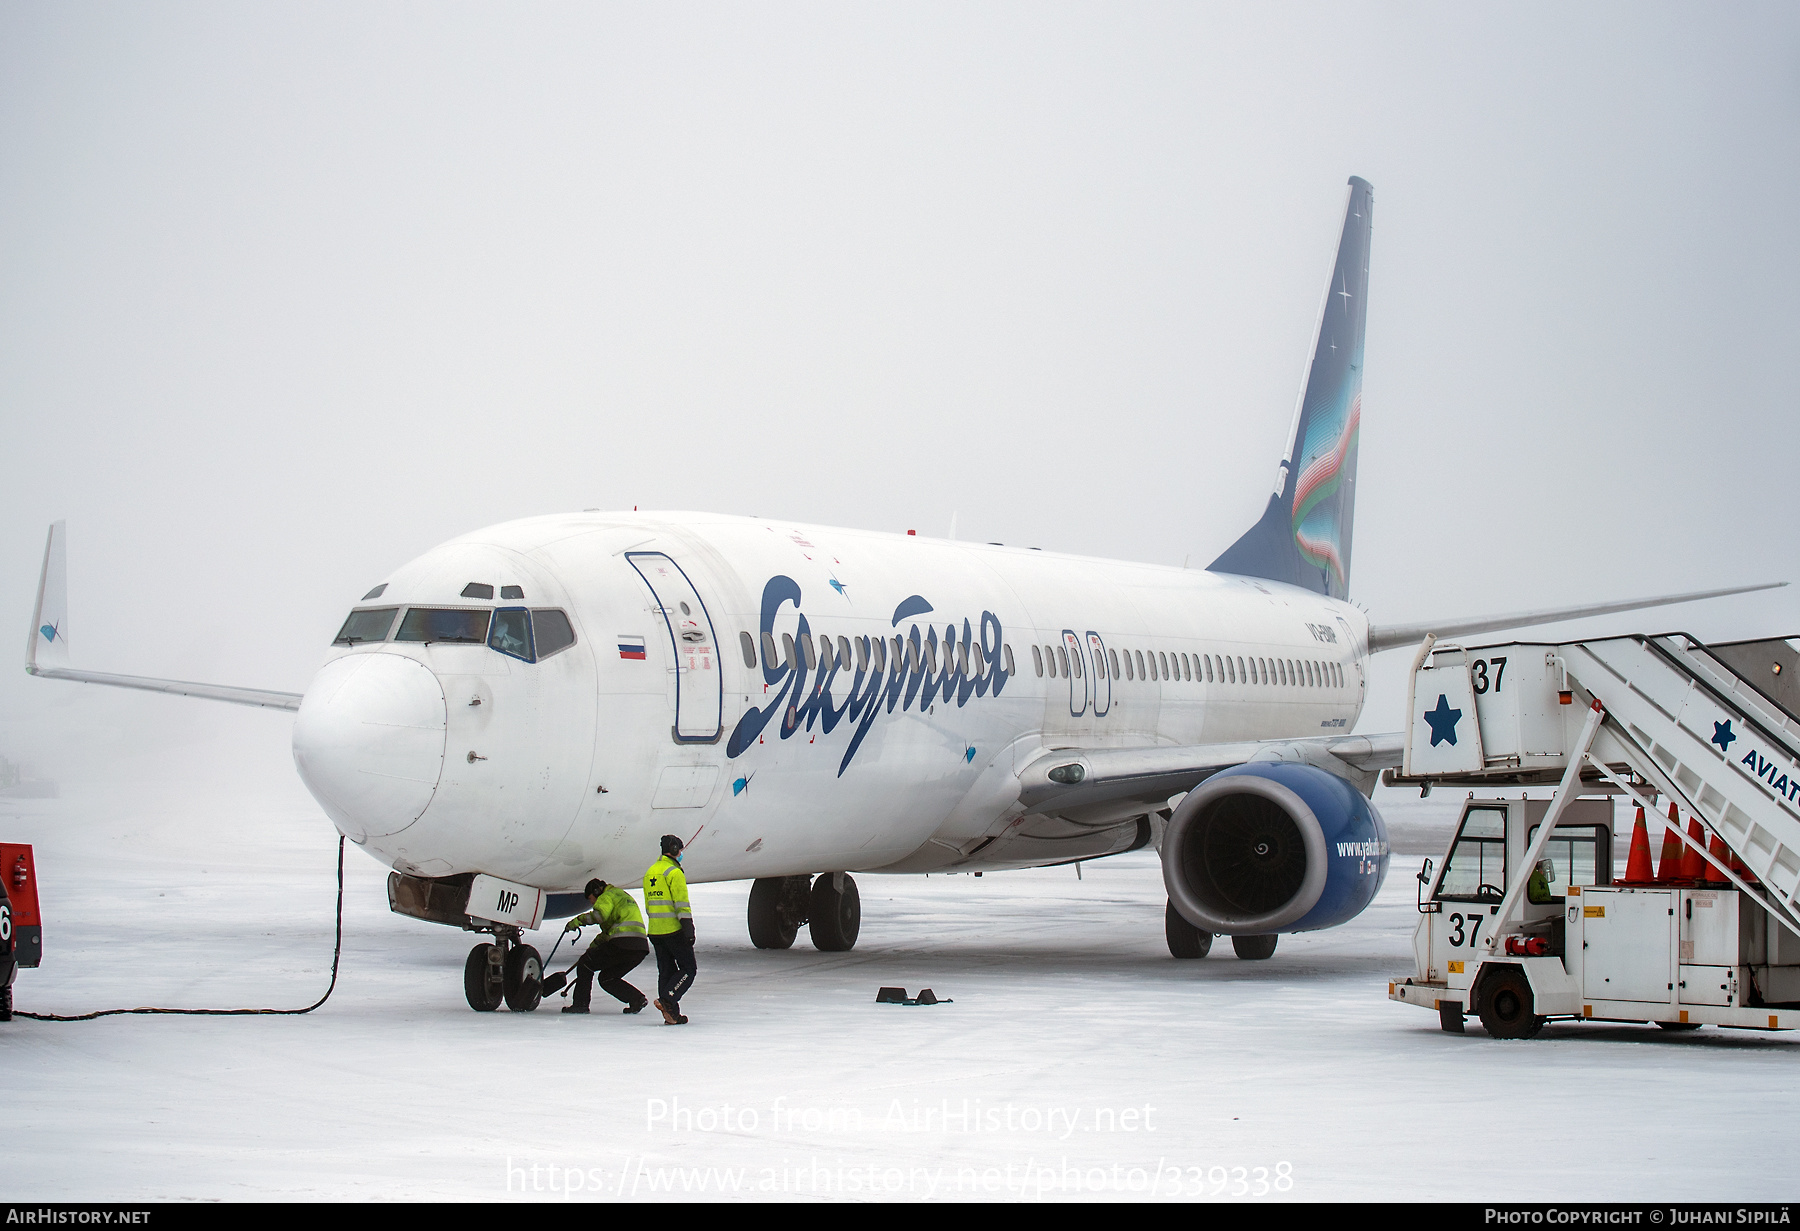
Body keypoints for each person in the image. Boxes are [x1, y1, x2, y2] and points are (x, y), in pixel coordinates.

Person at [560, 878, 649, 1015]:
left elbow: (599, 916)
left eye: (591, 899)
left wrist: (577, 921)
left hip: (621, 943)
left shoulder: (606, 896)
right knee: (607, 978)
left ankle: (580, 1004)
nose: (592, 903)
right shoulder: (621, 895)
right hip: (640, 947)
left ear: (597, 892)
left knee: (585, 964)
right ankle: (636, 999)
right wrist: (593, 948)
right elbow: (608, 932)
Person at [644, 834, 695, 1025]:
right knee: (689, 969)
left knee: (666, 970)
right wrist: (688, 929)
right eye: (680, 850)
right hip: (673, 929)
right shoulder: (674, 872)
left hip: (655, 930)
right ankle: (667, 999)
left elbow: (649, 905)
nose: (681, 854)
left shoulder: (650, 872)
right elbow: (681, 904)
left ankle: (671, 1014)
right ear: (674, 850)